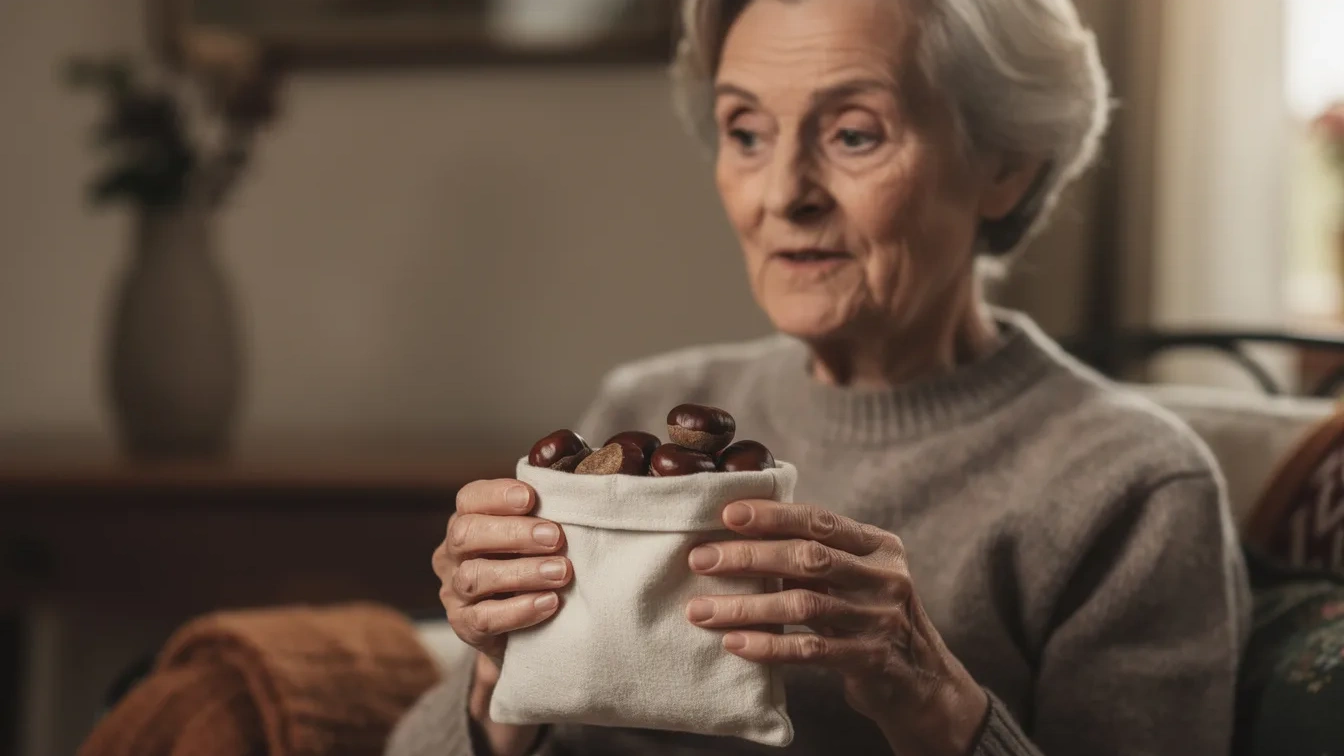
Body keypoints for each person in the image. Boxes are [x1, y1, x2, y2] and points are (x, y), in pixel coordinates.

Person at [387, 1, 1250, 754]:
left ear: (1005, 163)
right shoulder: (636, 414)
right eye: (747, 133)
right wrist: (496, 680)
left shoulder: (1130, 482)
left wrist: (932, 697)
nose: (783, 193)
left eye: (853, 134)